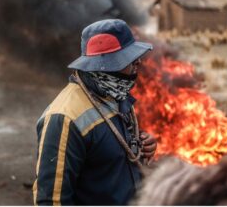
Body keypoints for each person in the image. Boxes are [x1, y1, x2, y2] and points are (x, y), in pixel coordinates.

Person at [33, 19, 157, 205]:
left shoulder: (115, 94)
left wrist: (141, 145)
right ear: (106, 64)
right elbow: (51, 201)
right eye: (128, 57)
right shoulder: (64, 118)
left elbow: (112, 149)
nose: (138, 61)